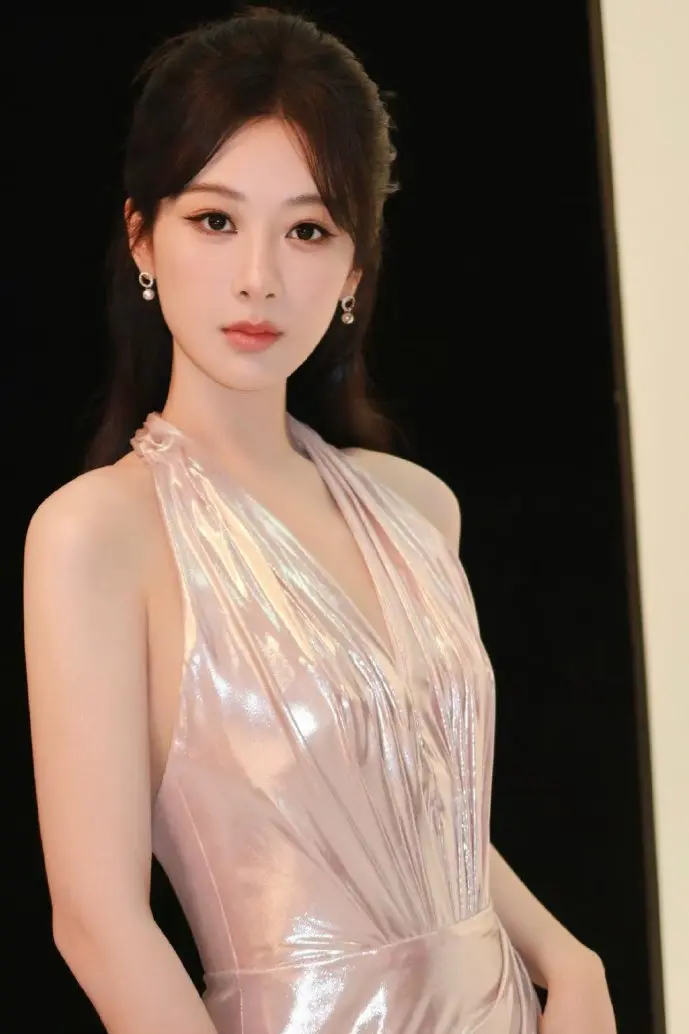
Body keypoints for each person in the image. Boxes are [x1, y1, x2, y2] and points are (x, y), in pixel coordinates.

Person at [23, 8, 617, 1033]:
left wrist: (568, 958)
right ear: (142, 236)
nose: (258, 275)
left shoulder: (416, 510)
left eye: (306, 230)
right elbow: (97, 920)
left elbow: (423, 814)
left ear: (352, 268)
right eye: (215, 220)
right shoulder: (98, 534)